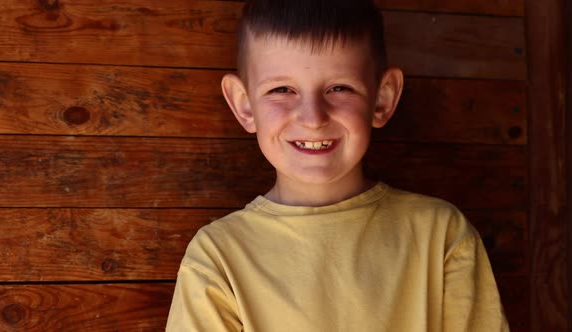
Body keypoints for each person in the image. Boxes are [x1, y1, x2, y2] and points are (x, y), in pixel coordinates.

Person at [166, 0, 509, 330]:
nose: (313, 118)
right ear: (244, 105)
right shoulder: (218, 257)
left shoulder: (441, 235)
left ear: (383, 98)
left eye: (339, 88)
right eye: (282, 89)